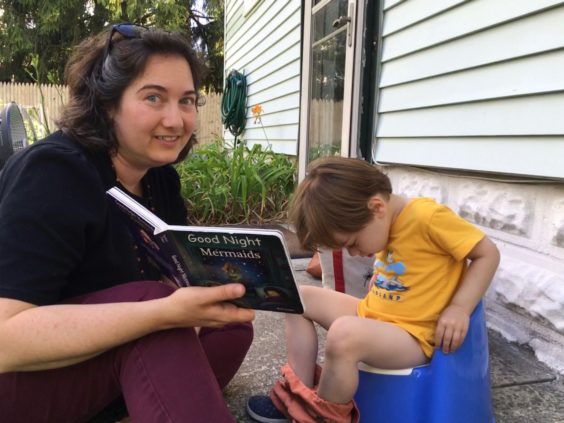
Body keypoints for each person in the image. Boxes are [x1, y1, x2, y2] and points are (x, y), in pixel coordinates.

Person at [0, 24, 255, 423]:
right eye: (154, 97)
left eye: (187, 101)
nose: (176, 120)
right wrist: (164, 312)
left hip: (94, 363)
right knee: (155, 311)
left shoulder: (159, 178)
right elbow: (5, 340)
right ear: (106, 104)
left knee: (228, 324)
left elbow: (174, 274)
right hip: (20, 378)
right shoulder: (53, 173)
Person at [246, 156, 500, 423]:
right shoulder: (384, 222)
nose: (353, 254)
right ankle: (296, 398)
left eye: (352, 243)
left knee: (344, 334)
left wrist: (460, 307)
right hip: (374, 316)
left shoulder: (428, 217)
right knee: (295, 298)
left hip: (413, 336)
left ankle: (322, 416)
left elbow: (488, 254)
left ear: (376, 207)